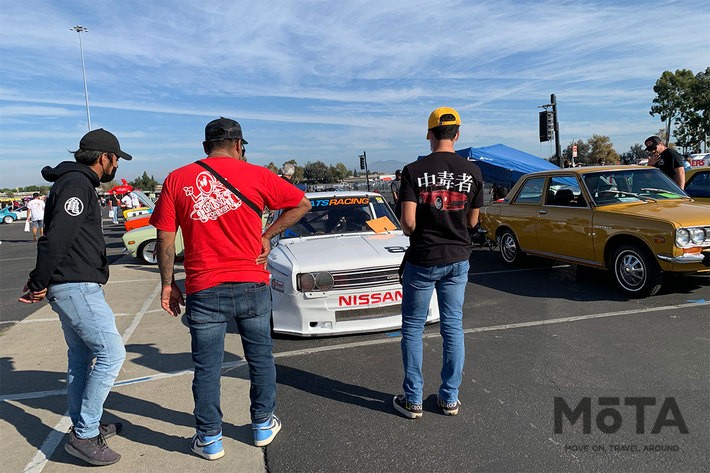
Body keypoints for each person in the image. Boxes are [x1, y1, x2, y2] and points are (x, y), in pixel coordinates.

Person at [150, 117, 311, 460]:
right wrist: (267, 236)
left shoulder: (178, 178)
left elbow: (165, 237)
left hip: (203, 286)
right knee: (260, 359)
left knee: (207, 368)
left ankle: (209, 438)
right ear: (239, 145)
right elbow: (301, 203)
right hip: (252, 282)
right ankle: (262, 423)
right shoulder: (258, 175)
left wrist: (167, 285)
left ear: (205, 146)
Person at [18, 128, 132, 466]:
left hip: (74, 284)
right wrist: (39, 280)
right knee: (112, 354)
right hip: (76, 285)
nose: (117, 167)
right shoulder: (77, 185)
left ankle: (88, 424)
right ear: (103, 158)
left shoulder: (75, 182)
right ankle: (84, 434)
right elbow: (56, 239)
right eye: (116, 159)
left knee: (81, 360)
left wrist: (43, 280)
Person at [393, 107, 484, 419]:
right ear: (457, 135)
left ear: (429, 134)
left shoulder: (413, 171)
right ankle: (449, 398)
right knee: (452, 326)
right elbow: (473, 221)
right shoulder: (472, 172)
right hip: (458, 257)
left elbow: (407, 223)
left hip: (423, 258)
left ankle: (413, 400)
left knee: (413, 327)